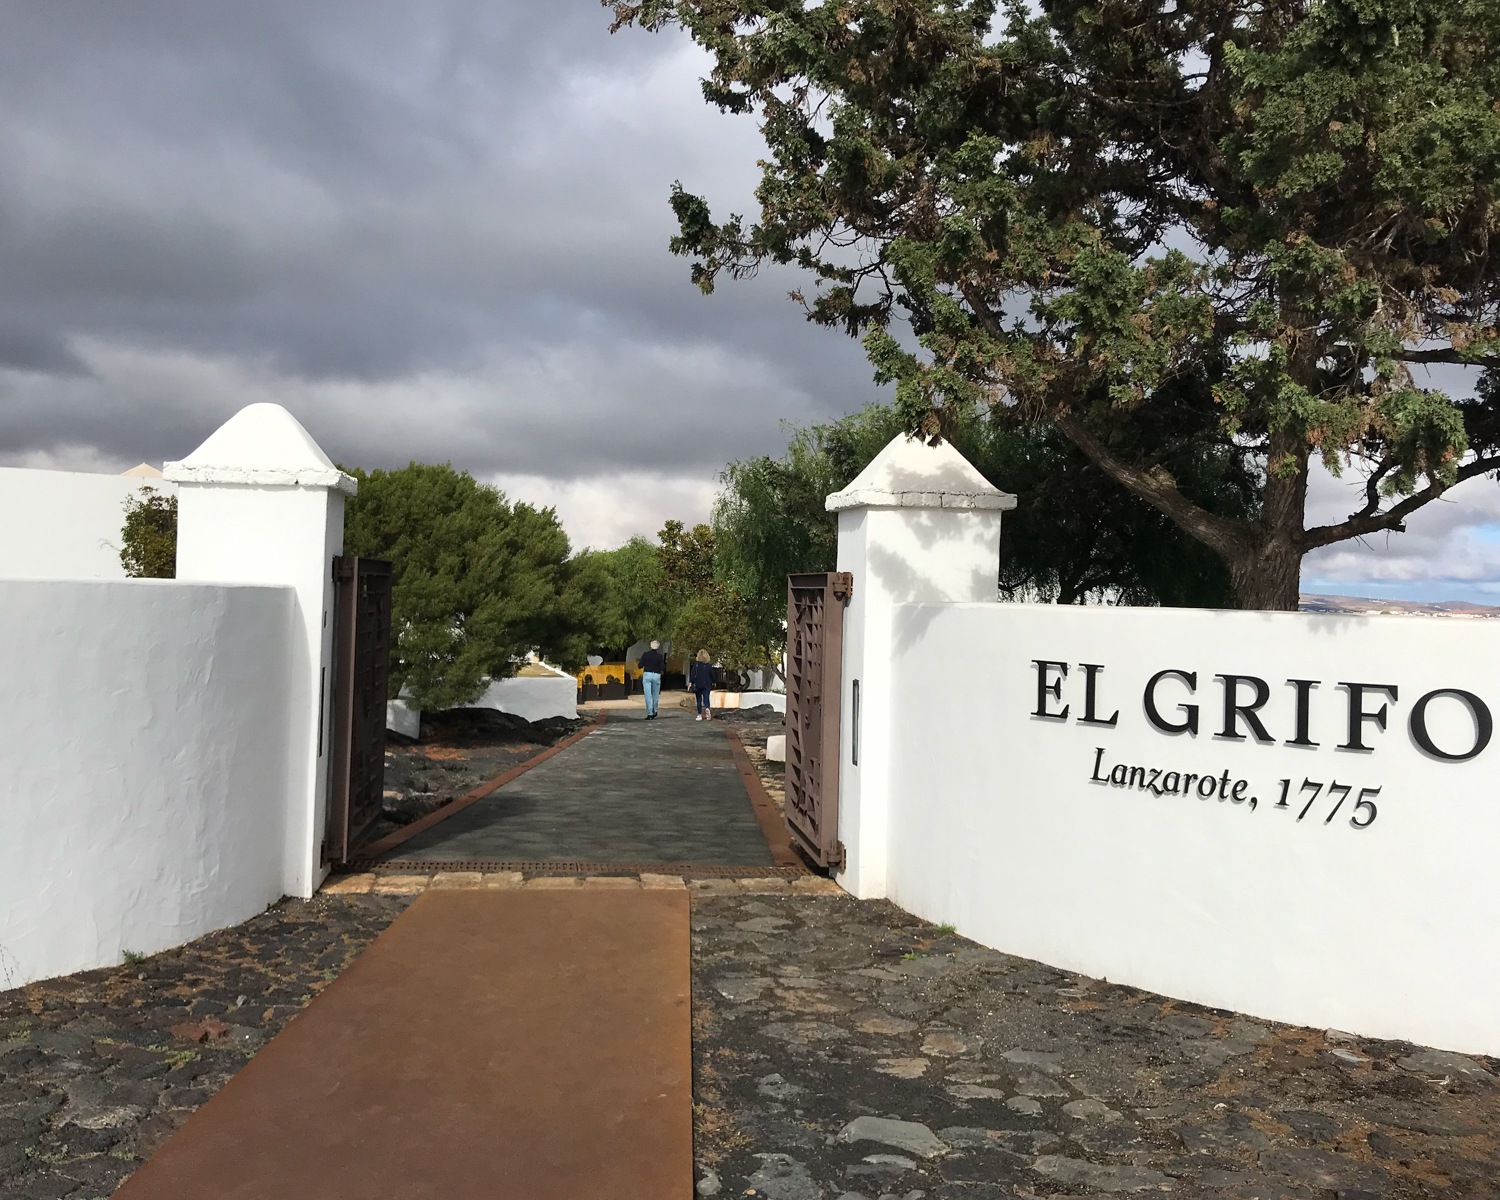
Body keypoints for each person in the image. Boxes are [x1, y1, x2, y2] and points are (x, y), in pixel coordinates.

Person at [638, 640, 666, 720]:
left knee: (648, 694)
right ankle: (655, 710)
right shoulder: (660, 656)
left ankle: (649, 713)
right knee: (655, 694)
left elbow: (640, 665)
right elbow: (662, 667)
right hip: (656, 674)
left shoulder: (645, 655)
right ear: (658, 647)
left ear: (650, 646)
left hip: (647, 674)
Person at [689, 650, 714, 721]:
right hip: (707, 684)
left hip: (697, 684)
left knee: (699, 699)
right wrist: (714, 681)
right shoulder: (708, 666)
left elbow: (693, 674)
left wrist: (691, 682)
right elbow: (712, 675)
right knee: (706, 698)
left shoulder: (696, 665)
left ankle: (699, 715)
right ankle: (707, 708)